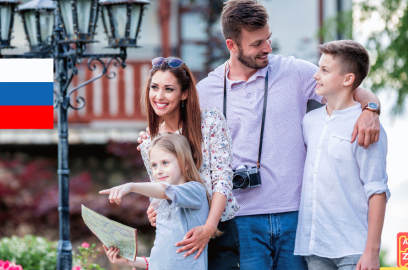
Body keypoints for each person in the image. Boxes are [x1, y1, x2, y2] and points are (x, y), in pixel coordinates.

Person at [186, 0, 383, 269]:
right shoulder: (206, 91)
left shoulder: (296, 72)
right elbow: (189, 154)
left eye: (268, 38)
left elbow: (349, 86)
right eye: (256, 44)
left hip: (297, 218)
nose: (267, 48)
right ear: (232, 45)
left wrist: (371, 109)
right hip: (240, 219)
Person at [294, 40, 390, 270]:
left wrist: (371, 252)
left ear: (348, 79)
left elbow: (377, 190)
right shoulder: (309, 122)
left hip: (353, 251)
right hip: (314, 248)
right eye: (319, 68)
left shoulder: (366, 126)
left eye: (324, 70)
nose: (316, 75)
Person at [139, 57, 240, 269]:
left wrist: (209, 228)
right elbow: (162, 187)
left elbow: (222, 180)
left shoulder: (210, 122)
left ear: (184, 93)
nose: (159, 96)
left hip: (218, 229)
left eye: (169, 89)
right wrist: (155, 207)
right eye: (154, 87)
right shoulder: (150, 142)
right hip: (181, 237)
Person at [100, 133, 211, 270]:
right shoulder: (161, 201)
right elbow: (162, 257)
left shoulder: (195, 190)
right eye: (154, 165)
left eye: (165, 163)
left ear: (186, 164)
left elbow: (166, 191)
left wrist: (132, 186)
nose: (159, 171)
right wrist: (129, 261)